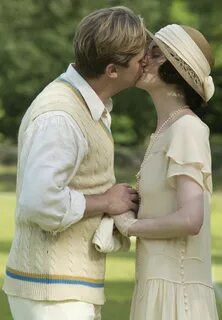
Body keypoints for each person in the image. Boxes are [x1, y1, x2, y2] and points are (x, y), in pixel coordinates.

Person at [3, 6, 147, 320]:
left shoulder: (82, 106)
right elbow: (39, 202)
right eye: (139, 59)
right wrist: (107, 201)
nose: (145, 64)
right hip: (52, 294)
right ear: (112, 70)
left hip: (64, 291)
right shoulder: (62, 116)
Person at [114, 24, 219, 319]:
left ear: (178, 70)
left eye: (156, 53)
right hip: (156, 287)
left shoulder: (186, 129)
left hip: (178, 297)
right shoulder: (167, 130)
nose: (143, 58)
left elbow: (190, 218)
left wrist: (131, 226)